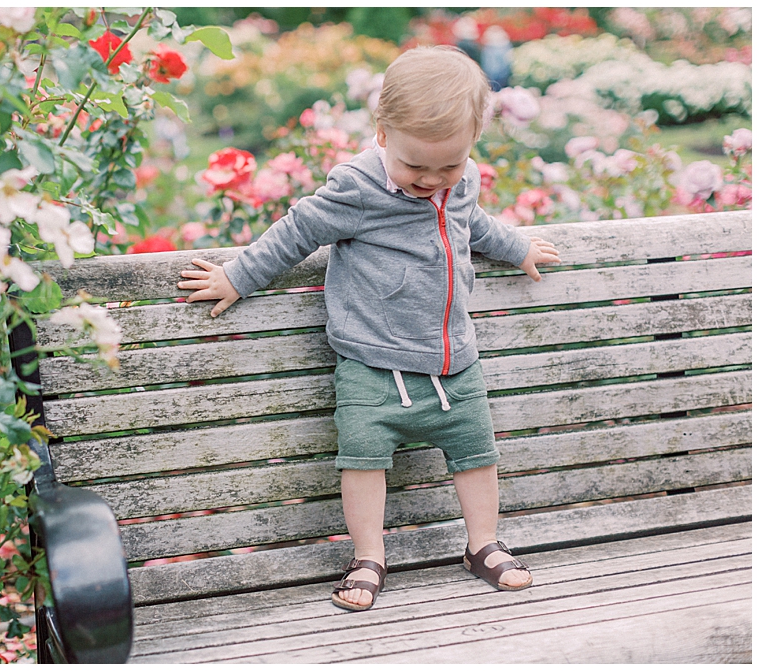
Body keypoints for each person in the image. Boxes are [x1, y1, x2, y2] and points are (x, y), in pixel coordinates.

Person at [177, 46, 560, 612]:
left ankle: (483, 544)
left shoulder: (462, 179)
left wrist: (517, 245)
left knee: (477, 453)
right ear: (383, 133)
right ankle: (368, 556)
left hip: (453, 359)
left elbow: (470, 223)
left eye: (448, 166)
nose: (432, 180)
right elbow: (296, 231)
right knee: (362, 459)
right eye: (416, 167)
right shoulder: (357, 187)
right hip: (372, 364)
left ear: (473, 141)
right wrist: (238, 276)